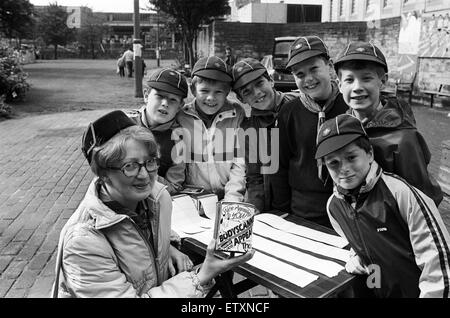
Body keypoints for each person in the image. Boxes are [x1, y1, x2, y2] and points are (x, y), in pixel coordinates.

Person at [52, 110, 254, 298]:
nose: (144, 175)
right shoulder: (83, 241)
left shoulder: (158, 198)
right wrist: (202, 276)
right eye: (129, 166)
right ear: (103, 174)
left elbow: (146, 239)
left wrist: (169, 247)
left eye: (150, 162)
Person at [315, 113, 450, 298]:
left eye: (352, 157)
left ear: (370, 153)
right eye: (333, 163)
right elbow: (358, 241)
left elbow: (438, 261)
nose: (344, 168)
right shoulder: (334, 207)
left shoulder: (401, 194)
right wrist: (355, 255)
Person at [333, 41, 443, 206]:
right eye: (349, 80)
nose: (357, 87)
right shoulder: (341, 128)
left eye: (366, 78)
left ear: (382, 81)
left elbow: (423, 197)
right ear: (340, 85)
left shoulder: (403, 140)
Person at [269, 35, 349, 227]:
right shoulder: (288, 112)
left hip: (347, 209)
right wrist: (282, 211)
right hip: (302, 209)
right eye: (300, 74)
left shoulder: (350, 106)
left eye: (314, 69)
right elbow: (278, 166)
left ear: (330, 66)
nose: (309, 79)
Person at [231, 58, 298, 212]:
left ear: (271, 81)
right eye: (247, 91)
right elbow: (254, 177)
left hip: (305, 205)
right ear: (241, 99)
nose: (257, 93)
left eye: (259, 83)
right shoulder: (249, 129)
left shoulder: (298, 107)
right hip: (275, 207)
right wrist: (256, 210)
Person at [177, 56, 246, 202]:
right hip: (194, 197)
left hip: (229, 194)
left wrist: (232, 199)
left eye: (218, 92)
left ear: (227, 92)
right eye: (204, 91)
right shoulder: (182, 117)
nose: (210, 98)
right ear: (193, 90)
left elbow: (239, 162)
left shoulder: (236, 114)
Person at [127, 68, 188, 195]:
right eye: (159, 96)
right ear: (146, 96)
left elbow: (174, 185)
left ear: (180, 106)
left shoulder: (178, 140)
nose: (165, 103)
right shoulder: (124, 125)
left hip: (156, 199)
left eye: (173, 100)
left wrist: (146, 177)